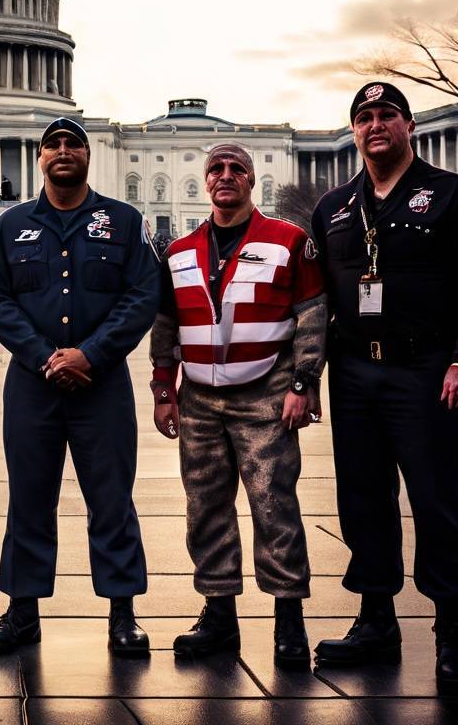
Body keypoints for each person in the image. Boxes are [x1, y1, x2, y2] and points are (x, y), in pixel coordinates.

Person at [311, 82, 458, 695]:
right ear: (355, 129)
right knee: (363, 498)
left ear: (409, 125)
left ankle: (453, 634)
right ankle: (376, 623)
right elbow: (315, 301)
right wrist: (303, 377)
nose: (375, 126)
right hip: (354, 373)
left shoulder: (451, 196)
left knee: (437, 497)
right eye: (364, 117)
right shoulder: (335, 207)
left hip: (426, 373)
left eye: (386, 115)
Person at [0, 117, 160, 657]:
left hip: (102, 385)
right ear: (40, 157)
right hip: (33, 386)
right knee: (29, 499)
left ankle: (122, 613)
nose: (62, 152)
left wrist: (91, 354)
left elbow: (142, 295)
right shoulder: (11, 226)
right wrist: (43, 357)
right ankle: (23, 611)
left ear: (86, 154)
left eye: (71, 144)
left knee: (112, 498)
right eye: (52, 145)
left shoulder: (122, 220)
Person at [150, 143, 326, 668]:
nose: (226, 177)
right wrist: (165, 391)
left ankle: (288, 621)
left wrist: (303, 383)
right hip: (199, 397)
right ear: (206, 182)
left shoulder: (288, 240)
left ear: (252, 181)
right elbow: (166, 326)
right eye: (216, 170)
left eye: (236, 170)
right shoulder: (180, 250)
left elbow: (313, 317)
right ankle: (219, 616)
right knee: (205, 509)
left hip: (265, 392)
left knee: (274, 506)